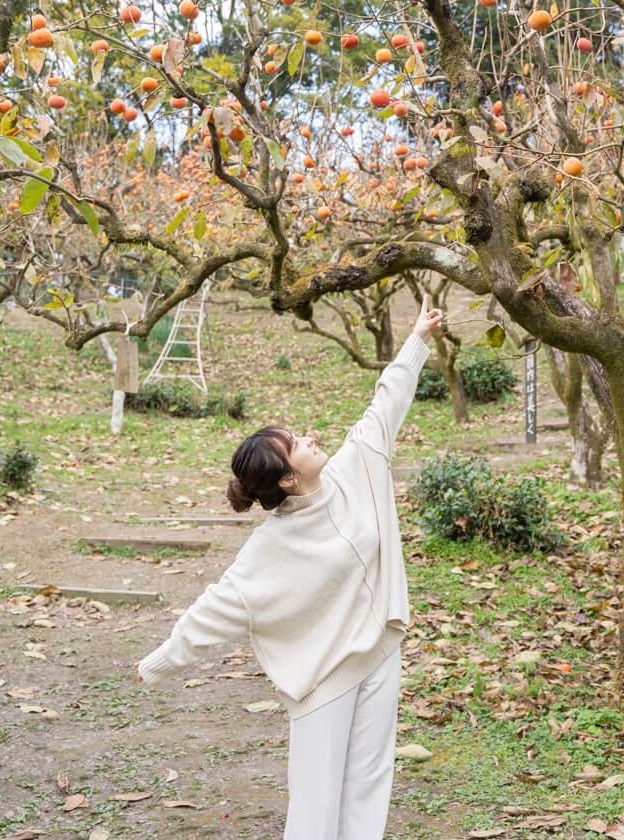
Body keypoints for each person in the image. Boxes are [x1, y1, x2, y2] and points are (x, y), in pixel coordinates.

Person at [136, 298, 445, 840]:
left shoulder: (357, 467)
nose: (308, 438)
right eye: (295, 443)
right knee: (316, 803)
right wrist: (162, 662)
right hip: (322, 679)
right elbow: (219, 607)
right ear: (284, 479)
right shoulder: (269, 547)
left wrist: (418, 338)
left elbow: (386, 400)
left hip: (380, 652)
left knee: (370, 784)